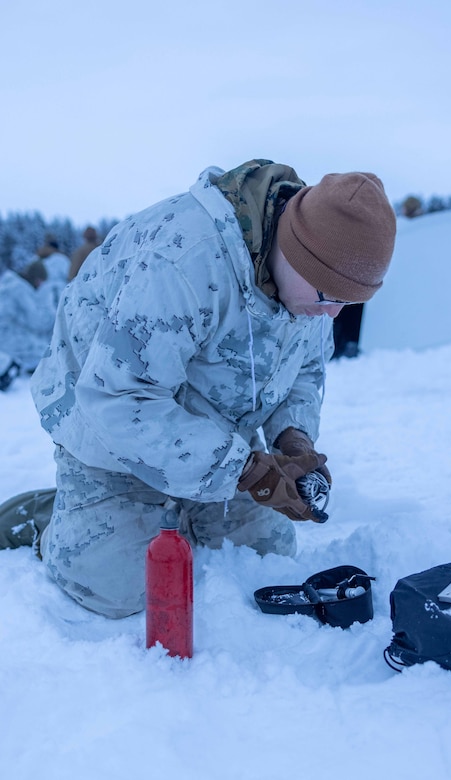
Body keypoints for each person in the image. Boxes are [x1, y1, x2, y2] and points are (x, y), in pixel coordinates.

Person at [24, 159, 396, 619]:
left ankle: (175, 506)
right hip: (107, 433)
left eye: (349, 302)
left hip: (218, 432)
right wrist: (251, 473)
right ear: (293, 251)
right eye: (327, 296)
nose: (335, 314)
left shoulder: (308, 286)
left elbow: (305, 370)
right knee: (116, 590)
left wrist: (292, 440)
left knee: (268, 561)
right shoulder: (184, 260)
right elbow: (120, 399)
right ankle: (51, 515)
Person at [0, 261, 56, 373]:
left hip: (5, 335)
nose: (40, 286)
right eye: (41, 281)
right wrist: (48, 304)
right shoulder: (20, 290)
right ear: (35, 278)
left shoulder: (9, 284)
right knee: (48, 355)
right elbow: (37, 322)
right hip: (10, 337)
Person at [35, 234, 70, 307]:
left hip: (42, 292)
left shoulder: (37, 259)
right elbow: (69, 276)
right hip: (60, 291)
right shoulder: (62, 259)